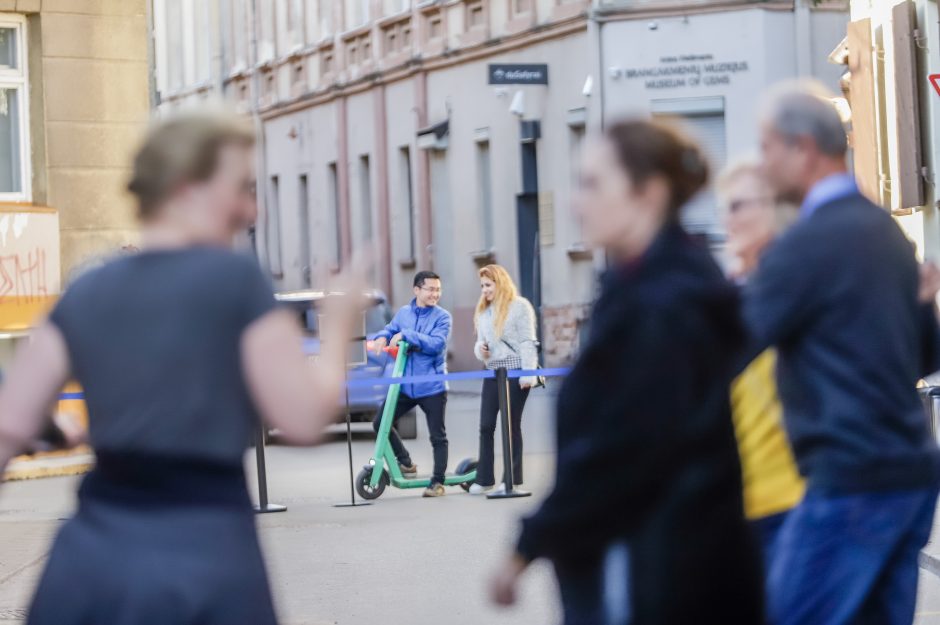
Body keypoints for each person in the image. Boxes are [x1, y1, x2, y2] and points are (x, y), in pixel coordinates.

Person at [0, 111, 363, 625]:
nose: (251, 208)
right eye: (240, 187)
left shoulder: (85, 292)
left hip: (90, 567)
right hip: (206, 557)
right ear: (186, 187)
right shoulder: (236, 284)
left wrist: (56, 429)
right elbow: (303, 420)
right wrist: (338, 327)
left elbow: (8, 427)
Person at [489, 119, 763, 624]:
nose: (575, 201)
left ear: (649, 193)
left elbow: (623, 448)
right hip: (645, 557)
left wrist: (527, 545)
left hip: (656, 567)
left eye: (592, 183)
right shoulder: (638, 284)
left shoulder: (666, 303)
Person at [746, 81, 940, 625]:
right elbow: (923, 358)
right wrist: (925, 310)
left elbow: (731, 344)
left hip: (850, 479)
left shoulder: (806, 245)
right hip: (910, 476)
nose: (762, 165)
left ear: (802, 147)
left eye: (767, 149)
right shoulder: (888, 234)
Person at [717, 160, 805, 572]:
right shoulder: (731, 296)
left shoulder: (799, 289)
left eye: (738, 206)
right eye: (725, 208)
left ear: (774, 209)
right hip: (739, 501)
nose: (727, 220)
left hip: (794, 501)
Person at [371, 271, 452, 497]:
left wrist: (407, 335)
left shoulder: (442, 317)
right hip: (406, 386)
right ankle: (405, 462)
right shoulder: (404, 313)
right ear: (417, 290)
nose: (435, 294)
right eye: (430, 289)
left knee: (438, 436)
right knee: (380, 424)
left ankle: (437, 483)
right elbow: (390, 329)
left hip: (432, 387)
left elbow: (436, 344)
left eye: (438, 290)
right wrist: (381, 337)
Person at [469, 264, 538, 495]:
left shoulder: (520, 306)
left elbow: (528, 341)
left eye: (488, 285)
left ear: (500, 283)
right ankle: (484, 478)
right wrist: (482, 350)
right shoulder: (483, 310)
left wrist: (527, 374)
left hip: (515, 372)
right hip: (492, 372)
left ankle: (512, 479)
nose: (484, 290)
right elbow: (479, 344)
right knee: (486, 425)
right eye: (482, 286)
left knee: (511, 426)